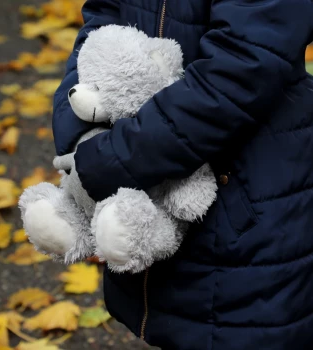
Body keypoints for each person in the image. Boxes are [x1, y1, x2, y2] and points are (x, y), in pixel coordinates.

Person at [52, 1, 313, 349]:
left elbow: (241, 68)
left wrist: (110, 157)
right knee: (179, 321)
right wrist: (81, 130)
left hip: (245, 192)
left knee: (240, 328)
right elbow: (103, 18)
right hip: (148, 169)